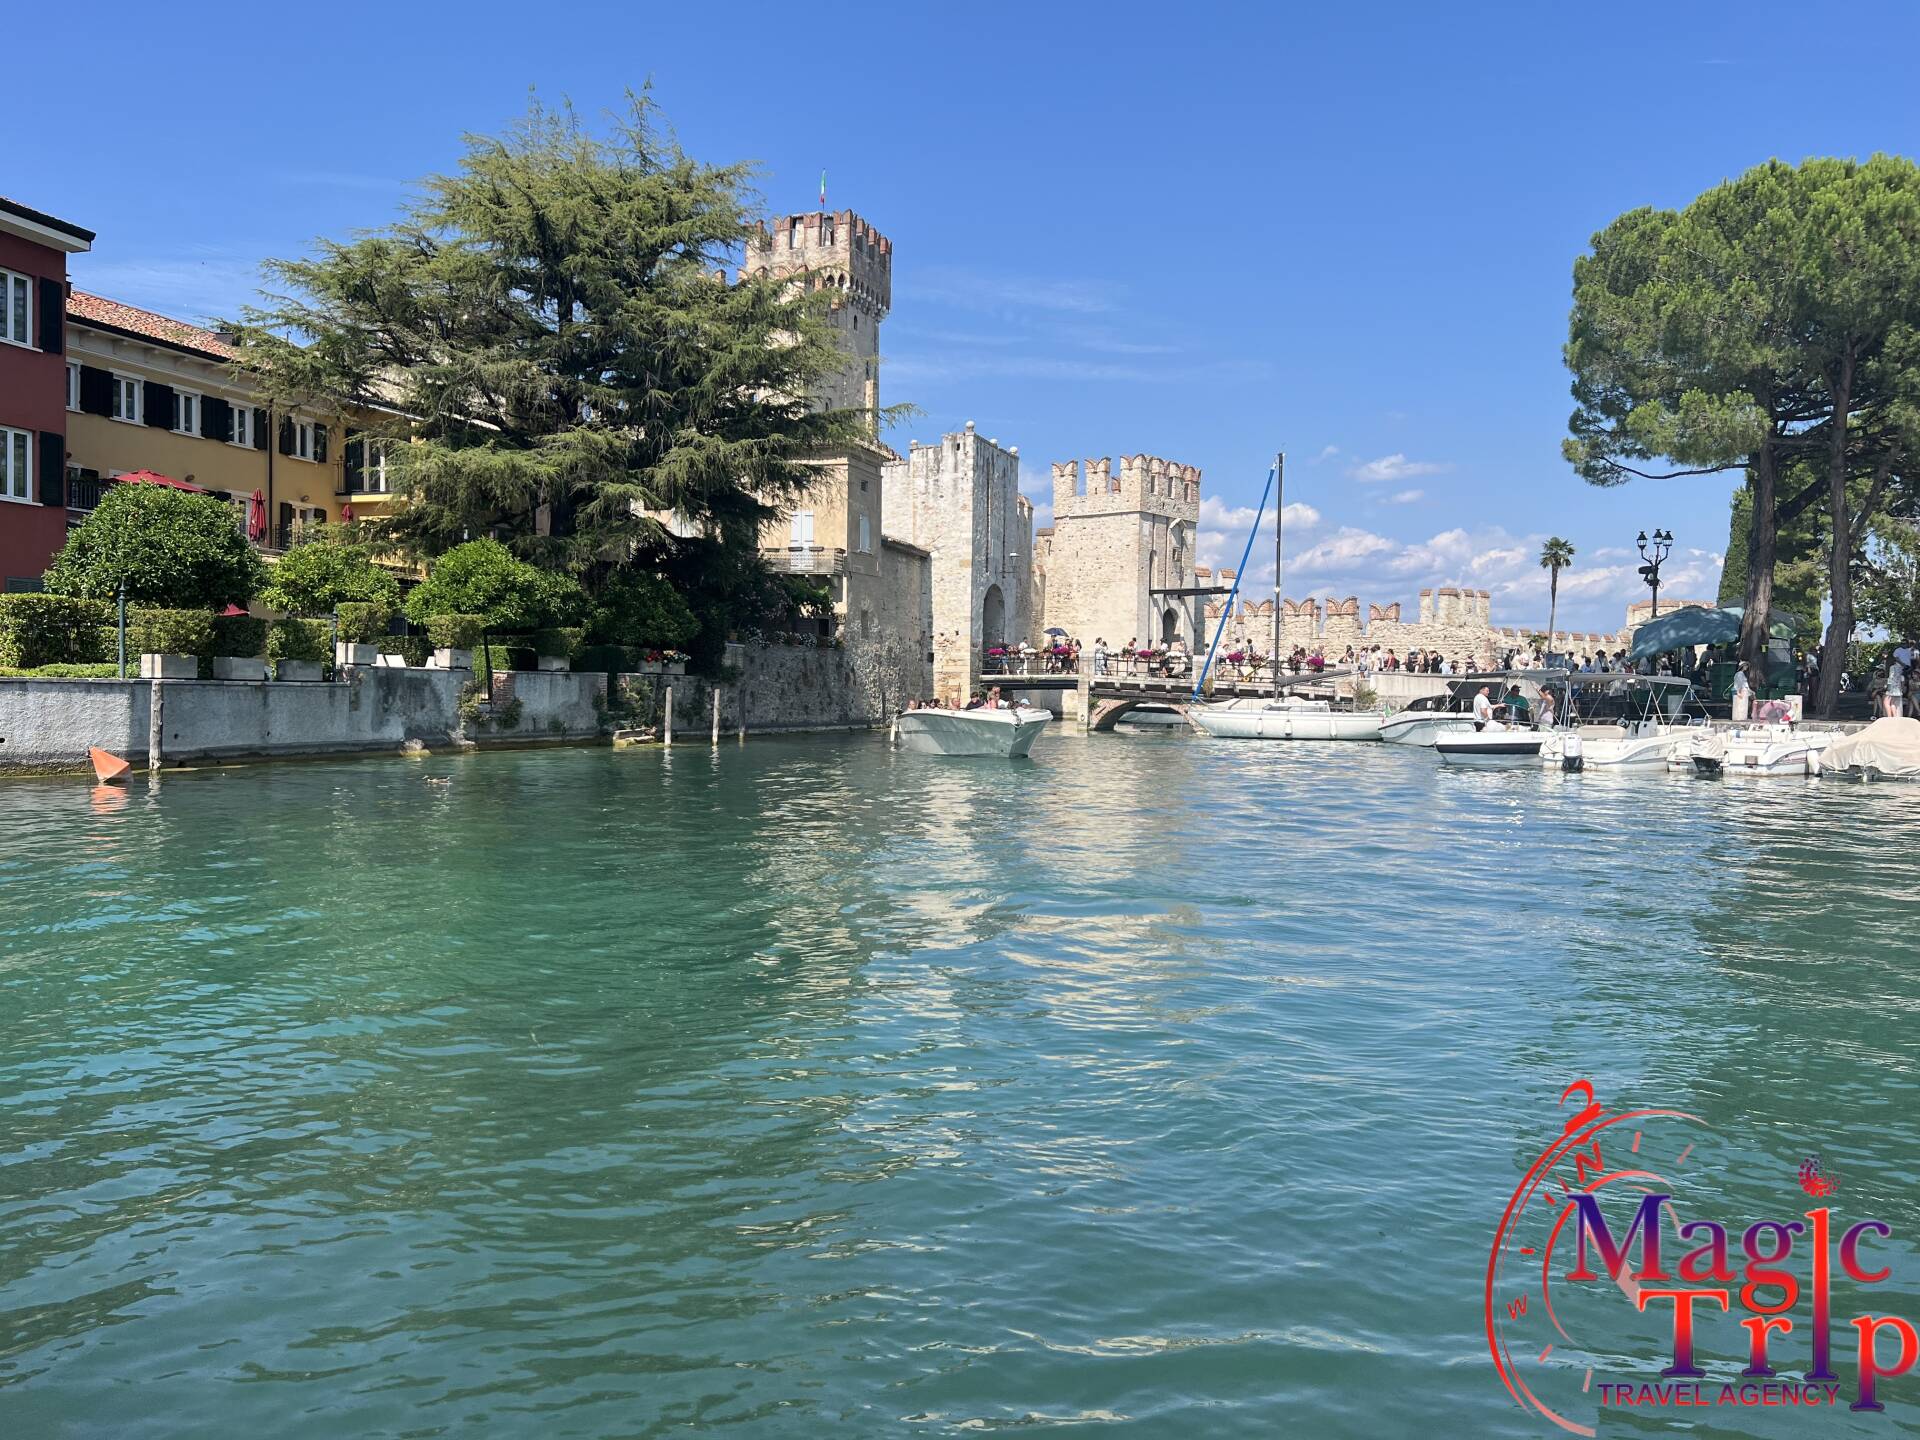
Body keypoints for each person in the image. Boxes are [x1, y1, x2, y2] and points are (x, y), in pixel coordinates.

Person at [1888, 650, 1908, 720]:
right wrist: (1902, 688)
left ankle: (1895, 716)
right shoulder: (1901, 668)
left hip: (1893, 688)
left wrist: (1888, 688)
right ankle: (1899, 715)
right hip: (1899, 688)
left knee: (1892, 703)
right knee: (1898, 703)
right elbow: (1902, 679)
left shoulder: (1892, 667)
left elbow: (1890, 678)